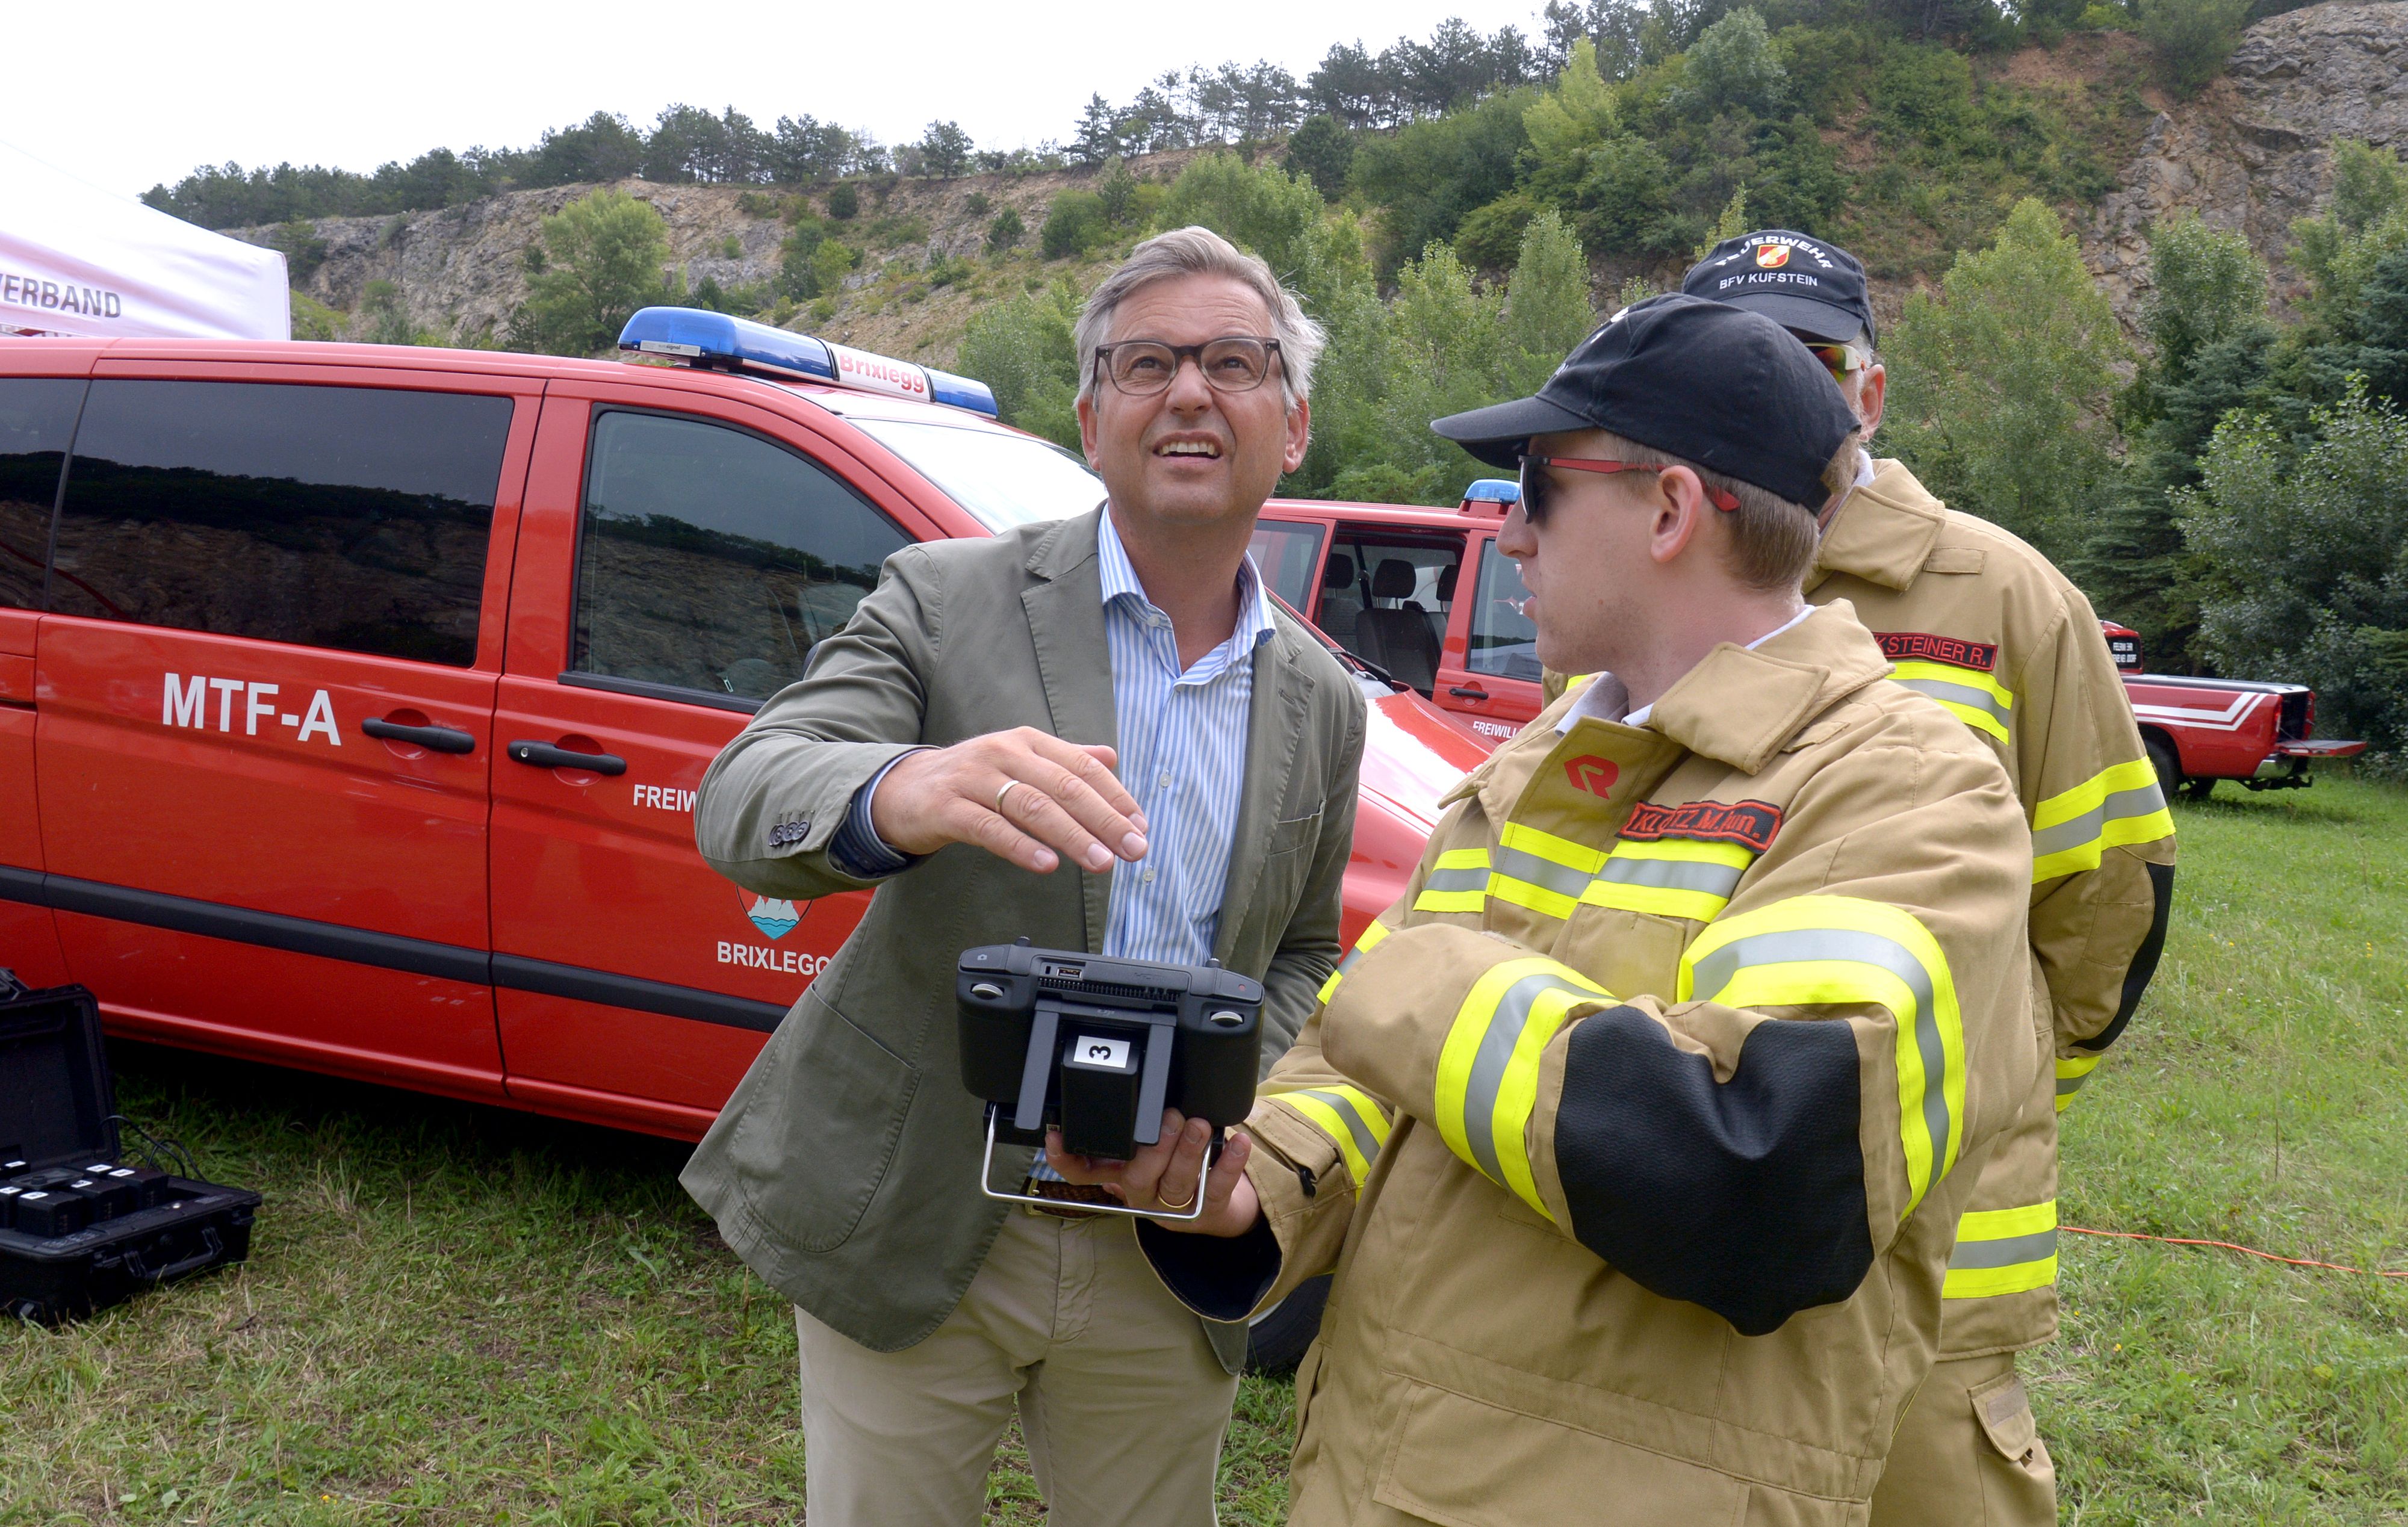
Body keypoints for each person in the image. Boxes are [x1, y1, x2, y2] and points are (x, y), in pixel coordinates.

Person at [1052, 294, 2040, 1525]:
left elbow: (1762, 1182)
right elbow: (1367, 1079)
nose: (1507, 536)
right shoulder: (1520, 773)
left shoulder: (1903, 789)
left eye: (1536, 488)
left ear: (1670, 510)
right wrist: (1253, 1187)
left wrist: (1419, 982)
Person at [679, 226, 1367, 1527]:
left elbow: (1303, 954)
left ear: (1292, 424)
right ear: (1090, 416)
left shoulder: (1326, 702)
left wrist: (1218, 1122)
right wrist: (902, 790)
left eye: (1233, 361)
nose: (1187, 392)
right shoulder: (945, 598)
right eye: (1145, 361)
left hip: (1160, 1237)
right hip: (921, 1204)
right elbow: (746, 794)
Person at [1680, 228, 2179, 1526]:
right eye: (1736, 366)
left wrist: (1986, 1074)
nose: (1775, 400)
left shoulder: (2003, 591)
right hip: (1684, 1193)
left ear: (1869, 393)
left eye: (1810, 364)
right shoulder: (1649, 579)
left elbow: (2108, 892)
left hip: (1941, 1237)